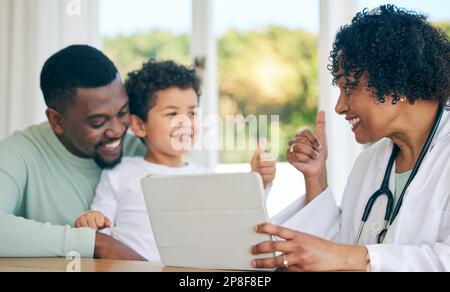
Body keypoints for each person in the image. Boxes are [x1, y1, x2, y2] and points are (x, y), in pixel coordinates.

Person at [251, 5, 450, 272]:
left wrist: (351, 258)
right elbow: (343, 245)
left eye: (349, 86)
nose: (339, 106)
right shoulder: (370, 162)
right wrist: (315, 176)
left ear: (397, 84)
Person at [74, 60, 277, 261]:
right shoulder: (118, 173)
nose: (185, 122)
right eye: (172, 114)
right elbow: (101, 224)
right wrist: (91, 219)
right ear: (138, 125)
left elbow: (236, 220)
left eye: (192, 113)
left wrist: (259, 179)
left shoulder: (206, 177)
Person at [0, 45, 148, 260]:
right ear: (57, 121)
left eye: (123, 112)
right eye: (98, 122)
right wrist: (97, 244)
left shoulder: (141, 150)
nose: (117, 130)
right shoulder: (19, 153)